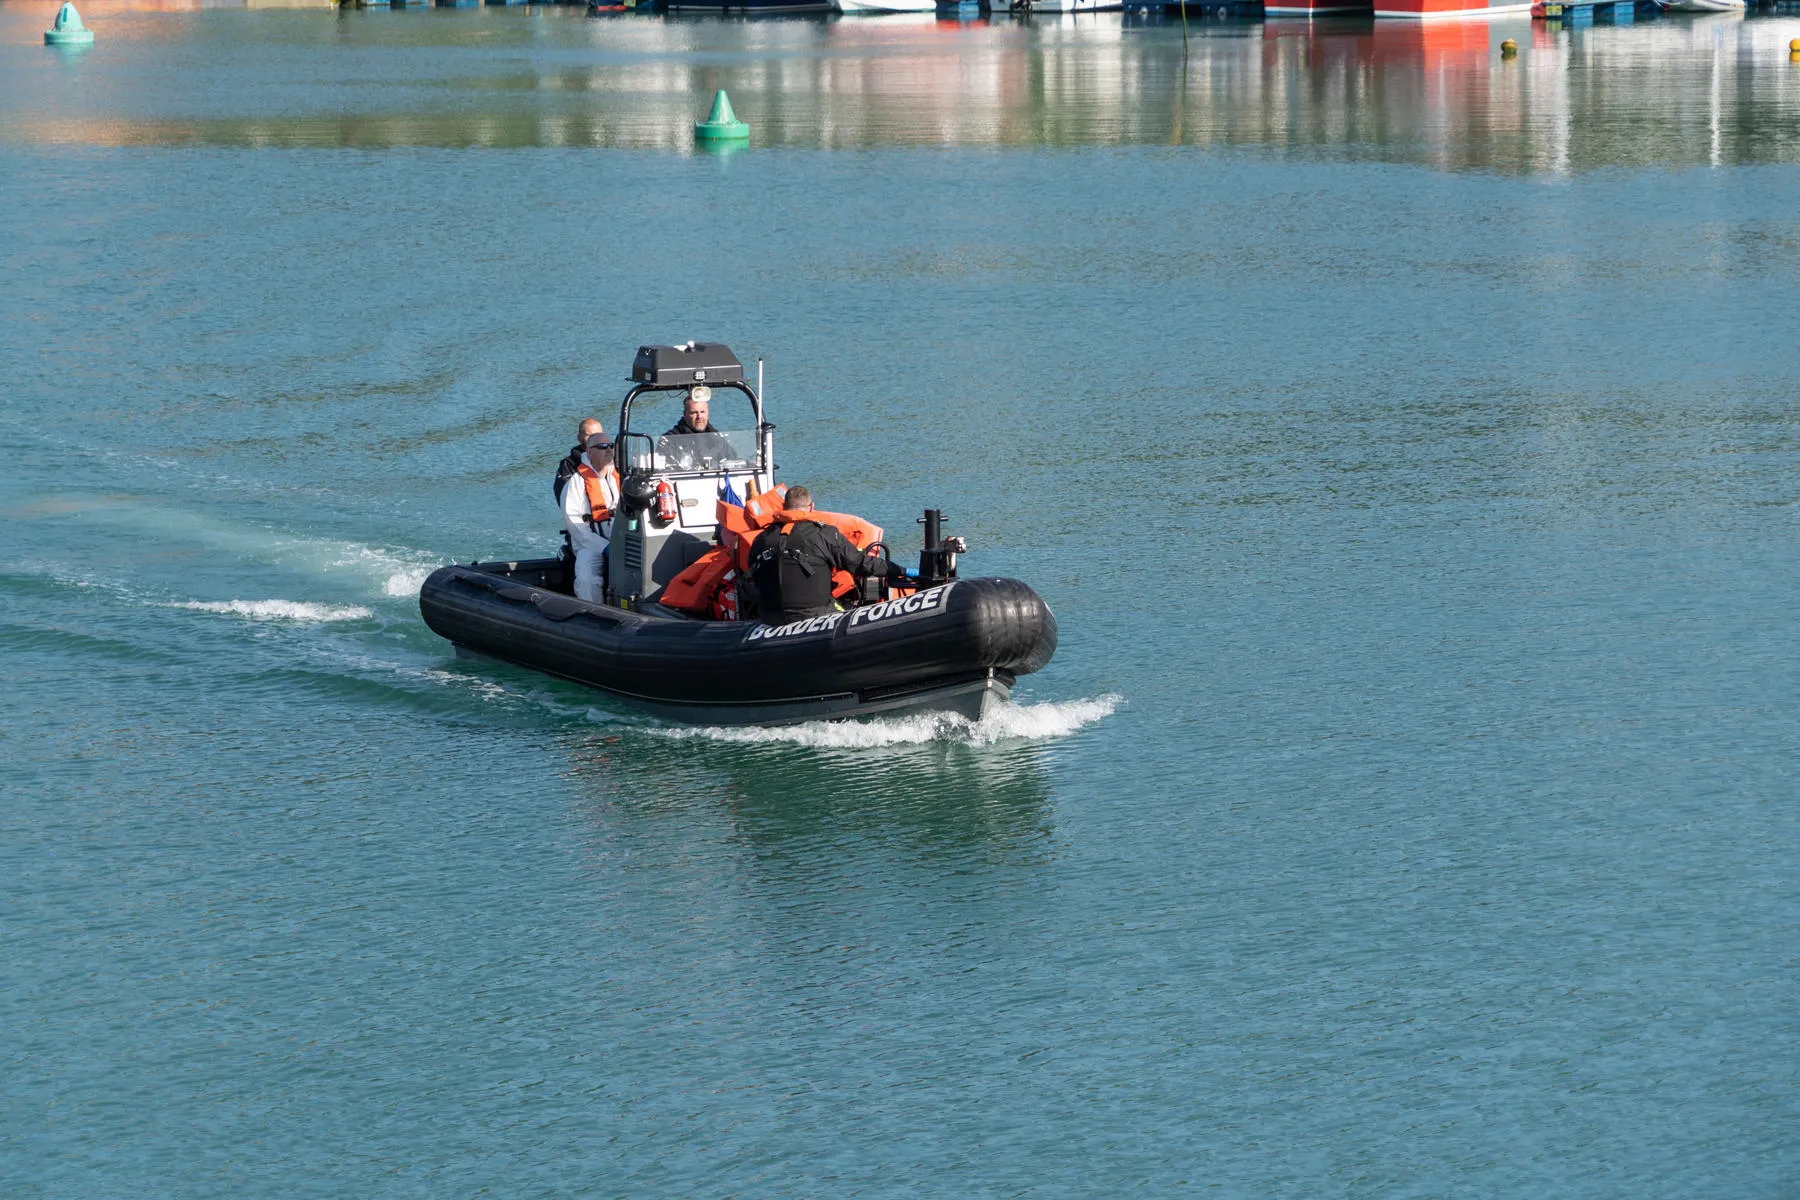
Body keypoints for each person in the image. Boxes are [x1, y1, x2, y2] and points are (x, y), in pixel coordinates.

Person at [747, 485, 905, 625]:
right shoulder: (824, 534)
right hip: (813, 614)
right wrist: (898, 570)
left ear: (783, 507)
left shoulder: (762, 538)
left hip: (770, 616)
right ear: (812, 507)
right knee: (846, 612)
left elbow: (754, 576)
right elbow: (860, 564)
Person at [561, 429, 619, 603]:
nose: (608, 450)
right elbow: (575, 525)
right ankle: (593, 613)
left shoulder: (621, 477)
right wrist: (603, 546)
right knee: (587, 578)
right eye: (602, 446)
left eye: (610, 446)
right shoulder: (575, 483)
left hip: (622, 541)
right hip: (589, 544)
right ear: (589, 451)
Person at [658, 386, 735, 468]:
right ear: (685, 414)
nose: (699, 416)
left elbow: (734, 462)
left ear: (708, 413)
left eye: (702, 412)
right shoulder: (669, 440)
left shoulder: (718, 438)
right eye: (694, 412)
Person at [554, 417, 605, 504]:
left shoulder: (613, 459)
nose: (595, 439)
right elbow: (564, 497)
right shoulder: (568, 465)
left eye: (598, 435)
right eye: (589, 435)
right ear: (579, 437)